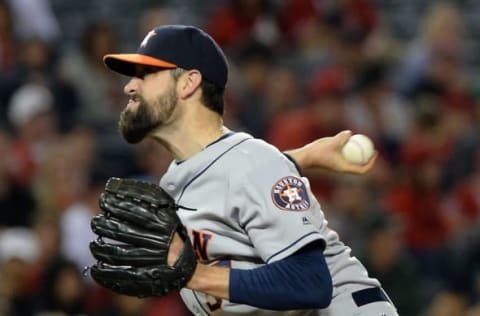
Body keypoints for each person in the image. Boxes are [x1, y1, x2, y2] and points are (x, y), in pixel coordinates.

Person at [101, 24, 398, 315]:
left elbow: (310, 282)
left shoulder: (253, 164)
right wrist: (299, 158)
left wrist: (192, 274)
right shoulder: (184, 179)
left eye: (147, 74)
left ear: (188, 83)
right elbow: (236, 178)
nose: (129, 86)